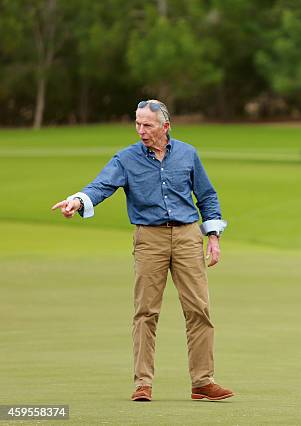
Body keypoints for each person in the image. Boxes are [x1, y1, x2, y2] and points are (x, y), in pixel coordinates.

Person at [51, 100, 234, 402]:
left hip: (188, 236)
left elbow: (206, 195)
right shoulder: (125, 159)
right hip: (149, 239)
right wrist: (78, 200)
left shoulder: (188, 154)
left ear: (165, 126)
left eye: (147, 125)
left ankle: (202, 383)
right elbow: (101, 186)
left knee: (199, 310)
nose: (141, 130)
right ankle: (142, 383)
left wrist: (213, 236)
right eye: (137, 124)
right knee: (146, 312)